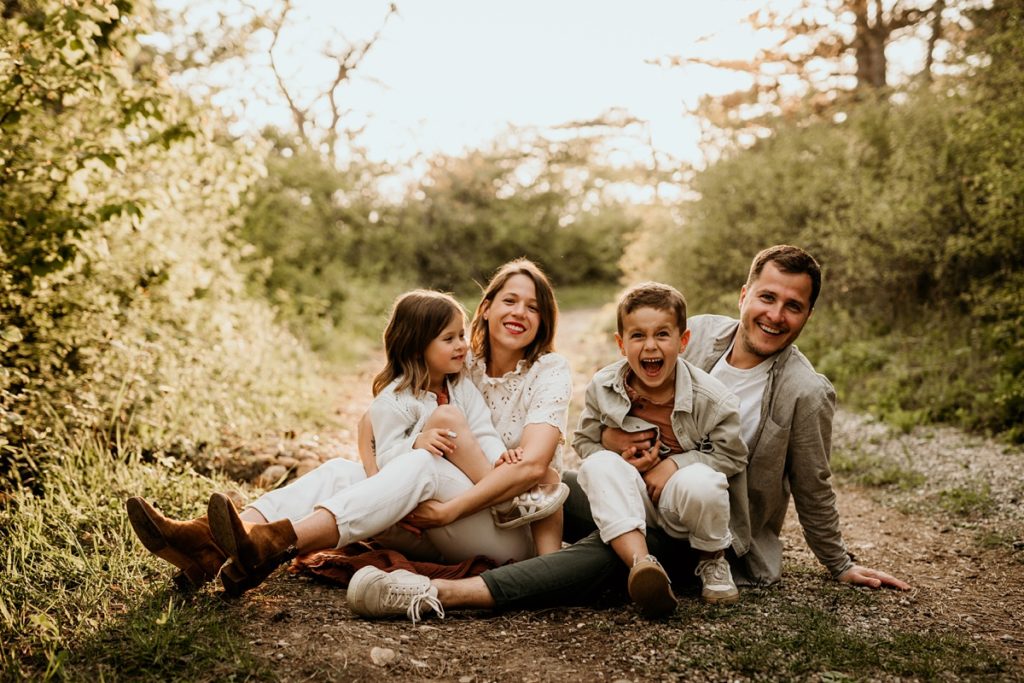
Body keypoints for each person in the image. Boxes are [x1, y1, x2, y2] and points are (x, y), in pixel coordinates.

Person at [346, 245, 910, 622]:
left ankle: (440, 593)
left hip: (705, 525)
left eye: (794, 306)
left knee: (613, 550)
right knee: (544, 482)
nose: (775, 315)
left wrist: (839, 563)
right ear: (745, 295)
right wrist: (611, 444)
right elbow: (620, 401)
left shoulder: (804, 392)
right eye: (767, 297)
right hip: (632, 489)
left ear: (808, 314)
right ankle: (391, 525)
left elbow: (813, 483)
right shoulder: (700, 334)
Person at [127, 259, 574, 605]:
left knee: (423, 462)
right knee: (343, 472)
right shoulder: (461, 363)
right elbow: (382, 417)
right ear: (487, 308)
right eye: (510, 300)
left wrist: (448, 503)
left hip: (502, 523)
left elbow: (527, 463)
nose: (520, 312)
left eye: (533, 306)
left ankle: (276, 544)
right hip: (441, 513)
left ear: (545, 320)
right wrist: (378, 452)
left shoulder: (545, 370)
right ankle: (215, 542)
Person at [573, 282, 748, 616]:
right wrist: (612, 443)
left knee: (701, 481)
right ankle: (642, 564)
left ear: (683, 341)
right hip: (633, 501)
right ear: (621, 344)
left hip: (681, 507)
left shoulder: (712, 398)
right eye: (637, 336)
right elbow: (583, 441)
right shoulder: (603, 387)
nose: (650, 346)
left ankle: (712, 560)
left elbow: (733, 455)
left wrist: (674, 465)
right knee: (597, 467)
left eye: (662, 335)